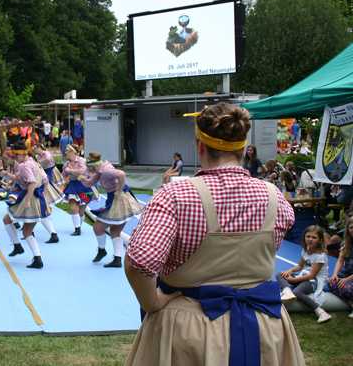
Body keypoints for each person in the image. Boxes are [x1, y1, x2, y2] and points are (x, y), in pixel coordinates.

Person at [125, 103, 304, 365]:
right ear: (243, 149)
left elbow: (138, 263)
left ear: (200, 146)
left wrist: (152, 302)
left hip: (190, 328)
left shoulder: (176, 196)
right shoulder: (274, 196)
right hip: (264, 325)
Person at [79, 152, 143, 267]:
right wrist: (82, 178)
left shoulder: (106, 170)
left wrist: (118, 190)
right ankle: (117, 259)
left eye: (89, 168)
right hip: (116, 198)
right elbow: (89, 183)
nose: (88, 170)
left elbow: (122, 174)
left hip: (119, 199)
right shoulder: (100, 170)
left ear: (93, 165)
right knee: (115, 231)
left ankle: (102, 250)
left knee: (98, 227)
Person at [1, 142, 49, 268]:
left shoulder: (24, 165)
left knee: (25, 230)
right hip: (37, 197)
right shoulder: (33, 161)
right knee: (19, 226)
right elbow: (44, 180)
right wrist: (7, 175)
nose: (14, 158)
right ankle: (25, 251)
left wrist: (27, 200)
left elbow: (32, 183)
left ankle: (33, 256)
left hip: (30, 197)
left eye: (16, 155)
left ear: (22, 154)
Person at [276, 225, 331, 323]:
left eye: (314, 237)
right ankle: (287, 290)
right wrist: (290, 271)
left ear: (320, 240)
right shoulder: (306, 250)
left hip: (315, 281)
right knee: (280, 274)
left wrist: (293, 280)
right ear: (304, 237)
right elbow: (300, 266)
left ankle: (321, 311)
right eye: (308, 236)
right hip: (304, 276)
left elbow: (312, 275)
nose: (310, 239)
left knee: (297, 292)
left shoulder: (320, 256)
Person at [62, 145, 94, 236]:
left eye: (68, 150)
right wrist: (66, 177)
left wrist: (70, 171)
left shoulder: (81, 160)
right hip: (73, 186)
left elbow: (83, 171)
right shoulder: (66, 164)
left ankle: (79, 225)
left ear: (73, 152)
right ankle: (77, 229)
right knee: (73, 207)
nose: (66, 152)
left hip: (84, 186)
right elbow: (64, 174)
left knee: (81, 210)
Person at [328, 216, 353, 318]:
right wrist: (335, 274)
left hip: (351, 277)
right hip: (346, 273)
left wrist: (347, 279)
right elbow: (340, 260)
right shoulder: (346, 244)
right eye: (351, 227)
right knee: (331, 282)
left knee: (347, 288)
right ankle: (351, 303)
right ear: (347, 230)